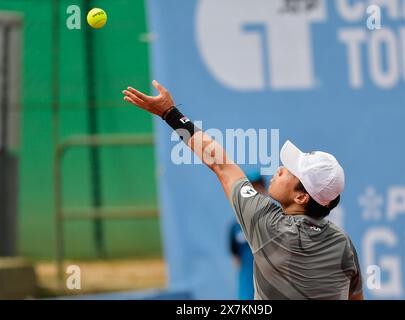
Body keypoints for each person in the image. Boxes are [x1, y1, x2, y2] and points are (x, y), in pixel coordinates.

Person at [122, 81, 364, 300]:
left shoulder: (268, 224)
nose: (279, 169)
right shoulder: (344, 244)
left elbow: (220, 163)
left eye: (289, 171)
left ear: (301, 196)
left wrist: (169, 113)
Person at [229, 171, 266, 300]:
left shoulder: (276, 221)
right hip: (247, 291)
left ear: (264, 190)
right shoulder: (235, 227)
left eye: (258, 187)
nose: (255, 192)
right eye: (251, 188)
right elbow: (236, 259)